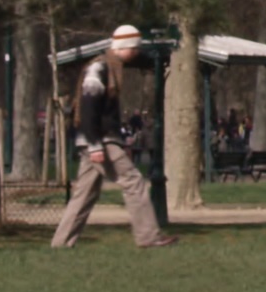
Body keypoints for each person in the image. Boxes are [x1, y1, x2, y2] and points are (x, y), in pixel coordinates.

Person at [51, 26, 177, 249]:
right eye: (134, 47)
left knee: (85, 194)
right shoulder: (99, 69)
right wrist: (94, 145)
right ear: (124, 46)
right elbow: (88, 109)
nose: (136, 52)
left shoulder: (108, 68)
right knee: (133, 180)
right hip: (100, 140)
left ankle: (61, 242)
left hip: (96, 140)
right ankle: (148, 236)